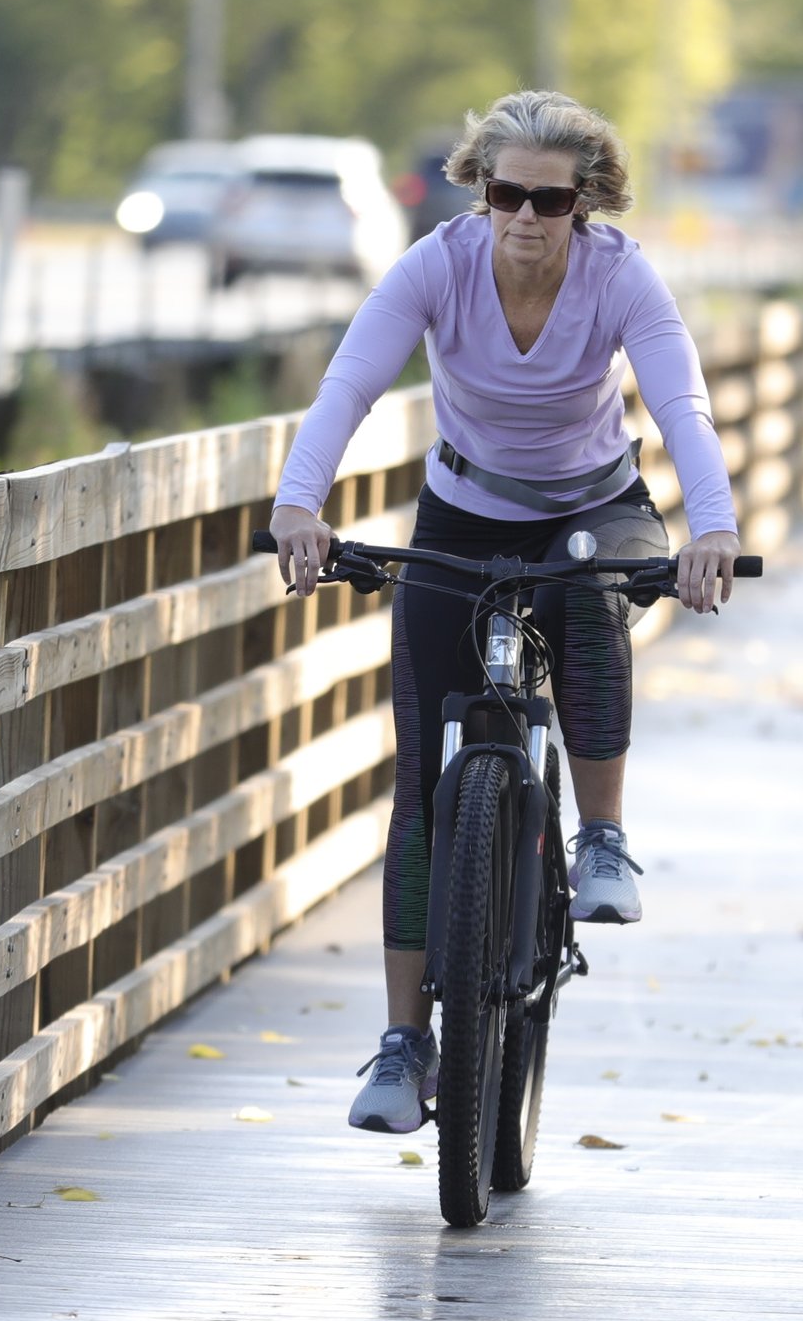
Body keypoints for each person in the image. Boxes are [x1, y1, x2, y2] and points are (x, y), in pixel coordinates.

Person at [265, 90, 743, 1136]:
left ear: (587, 202)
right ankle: (403, 1043)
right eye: (505, 193)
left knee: (587, 603)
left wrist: (711, 524)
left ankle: (604, 836)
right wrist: (300, 501)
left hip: (592, 504)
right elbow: (350, 382)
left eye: (549, 199)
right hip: (463, 506)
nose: (525, 217)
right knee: (421, 784)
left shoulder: (620, 277)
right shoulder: (436, 266)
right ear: (480, 191)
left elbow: (682, 405)